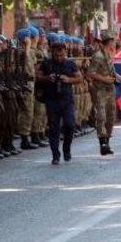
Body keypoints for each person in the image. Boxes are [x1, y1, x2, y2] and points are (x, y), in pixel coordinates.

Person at [36, 34, 83, 164]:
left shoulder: (70, 64)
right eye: (56, 55)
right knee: (53, 128)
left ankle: (66, 149)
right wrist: (47, 78)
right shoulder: (46, 64)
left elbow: (80, 78)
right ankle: (55, 155)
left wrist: (68, 79)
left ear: (65, 53)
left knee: (69, 125)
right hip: (52, 100)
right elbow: (38, 77)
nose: (59, 57)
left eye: (61, 55)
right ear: (52, 53)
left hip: (67, 100)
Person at [88, 31, 121, 155]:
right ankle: (102, 143)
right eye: (113, 41)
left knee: (110, 117)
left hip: (110, 90)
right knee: (101, 116)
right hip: (100, 90)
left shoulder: (108, 55)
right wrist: (104, 79)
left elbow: (113, 73)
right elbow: (90, 73)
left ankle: (107, 143)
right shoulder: (98, 56)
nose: (115, 43)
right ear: (109, 41)